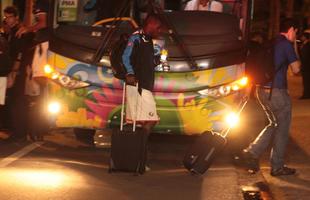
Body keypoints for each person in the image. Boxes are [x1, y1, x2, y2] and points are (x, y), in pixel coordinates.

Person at [241, 18, 301, 176]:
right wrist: (294, 45)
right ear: (291, 30)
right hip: (277, 92)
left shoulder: (271, 42)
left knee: (273, 124)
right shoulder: (286, 45)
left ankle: (252, 151)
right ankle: (277, 167)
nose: (296, 35)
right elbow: (296, 69)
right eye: (295, 31)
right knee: (282, 129)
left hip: (261, 91)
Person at [122, 14, 162, 167]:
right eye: (158, 28)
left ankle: (138, 158)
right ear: (151, 25)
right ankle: (139, 154)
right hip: (139, 87)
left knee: (142, 123)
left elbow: (147, 62)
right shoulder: (136, 38)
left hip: (146, 86)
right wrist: (130, 73)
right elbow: (126, 57)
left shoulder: (148, 39)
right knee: (150, 121)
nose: (159, 31)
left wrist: (157, 60)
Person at [16, 0, 50, 141]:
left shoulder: (43, 3)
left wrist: (28, 29)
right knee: (37, 90)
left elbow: (43, 23)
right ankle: (37, 128)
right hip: (40, 45)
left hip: (43, 44)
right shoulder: (34, 5)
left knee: (40, 87)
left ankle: (38, 127)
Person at [1, 6, 34, 143]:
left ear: (16, 17)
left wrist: (14, 72)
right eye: (5, 17)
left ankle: (20, 133)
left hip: (18, 71)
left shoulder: (20, 32)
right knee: (14, 101)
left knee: (17, 102)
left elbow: (20, 54)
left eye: (9, 17)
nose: (7, 19)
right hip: (12, 69)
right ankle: (17, 131)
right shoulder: (10, 32)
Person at [300, 29, 310, 99]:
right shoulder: (305, 44)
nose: (301, 38)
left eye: (302, 36)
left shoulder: (308, 45)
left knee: (306, 80)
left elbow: (305, 56)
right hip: (306, 66)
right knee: (306, 80)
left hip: (307, 66)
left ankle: (306, 94)